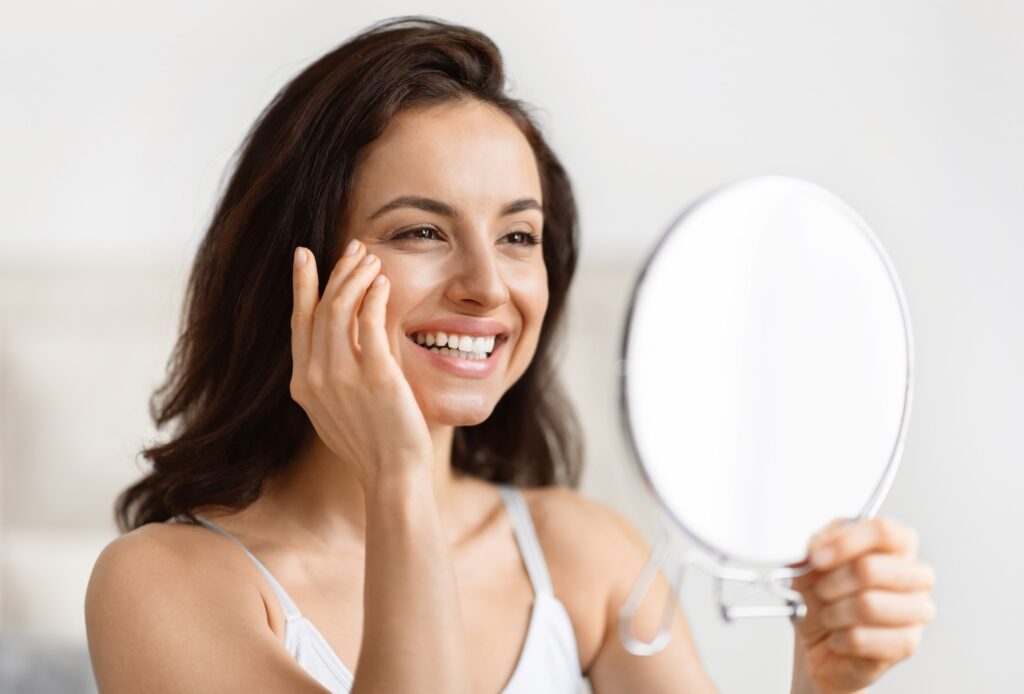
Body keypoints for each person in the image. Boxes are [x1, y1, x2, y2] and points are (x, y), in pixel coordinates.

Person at [84, 16, 936, 694]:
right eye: (422, 230)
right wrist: (398, 479)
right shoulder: (163, 586)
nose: (488, 287)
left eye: (519, 235)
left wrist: (824, 685)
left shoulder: (585, 556)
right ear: (296, 275)